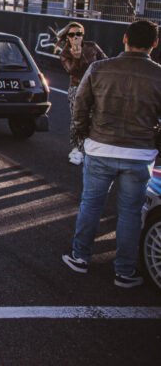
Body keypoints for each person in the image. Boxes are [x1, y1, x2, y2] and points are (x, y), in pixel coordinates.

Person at [62, 20, 161, 288]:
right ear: (154, 43)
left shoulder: (99, 68)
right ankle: (125, 272)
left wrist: (83, 137)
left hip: (100, 147)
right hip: (140, 154)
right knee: (130, 213)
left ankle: (80, 257)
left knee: (91, 204)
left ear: (125, 39)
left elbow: (80, 107)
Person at [55, 21, 107, 165]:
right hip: (77, 88)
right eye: (72, 34)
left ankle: (90, 149)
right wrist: (76, 58)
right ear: (67, 37)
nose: (75, 37)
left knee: (95, 118)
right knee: (77, 118)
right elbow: (71, 71)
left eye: (79, 34)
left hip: (95, 87)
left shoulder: (92, 47)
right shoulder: (65, 53)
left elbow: (105, 61)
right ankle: (77, 149)